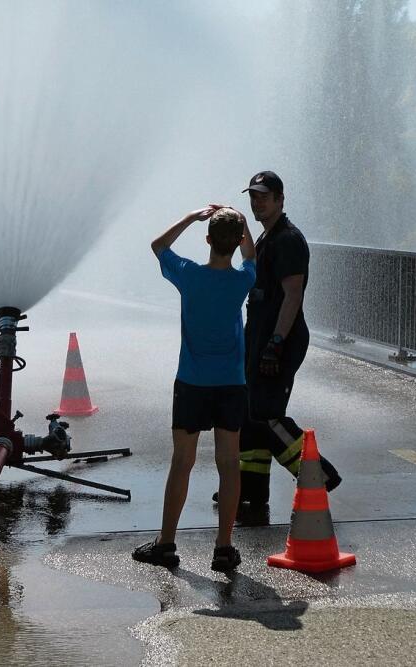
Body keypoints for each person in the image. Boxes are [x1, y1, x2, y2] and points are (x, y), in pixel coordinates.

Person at [132, 205, 256, 572]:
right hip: (231, 384)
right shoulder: (242, 280)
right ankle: (223, 548)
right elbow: (251, 254)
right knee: (229, 465)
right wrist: (242, 223)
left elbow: (157, 245)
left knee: (182, 462)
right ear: (235, 242)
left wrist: (191, 216)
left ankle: (166, 543)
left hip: (192, 383)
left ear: (207, 240)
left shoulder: (188, 275)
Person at [226, 171, 341, 509]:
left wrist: (275, 344)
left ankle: (317, 474)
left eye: (264, 196)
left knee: (266, 415)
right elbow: (250, 259)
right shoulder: (267, 238)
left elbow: (292, 296)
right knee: (250, 415)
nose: (257, 201)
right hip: (260, 337)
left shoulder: (288, 240)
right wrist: (240, 222)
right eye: (253, 196)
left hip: (280, 340)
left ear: (280, 199)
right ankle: (252, 490)